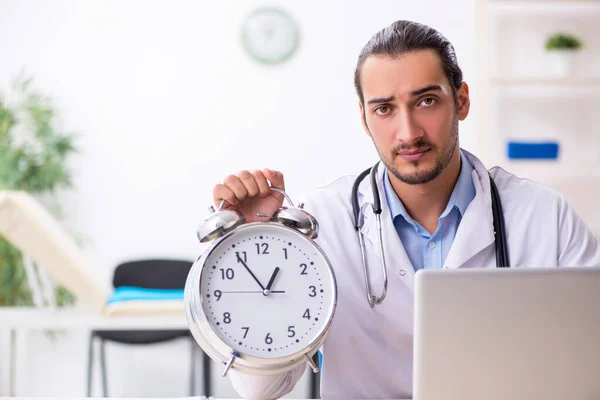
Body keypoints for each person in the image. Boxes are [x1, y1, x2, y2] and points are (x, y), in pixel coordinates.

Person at [211, 20, 600, 399]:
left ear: (461, 101)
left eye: (426, 101)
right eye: (384, 109)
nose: (408, 131)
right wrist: (255, 244)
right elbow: (260, 390)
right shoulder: (321, 222)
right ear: (364, 118)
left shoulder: (546, 217)